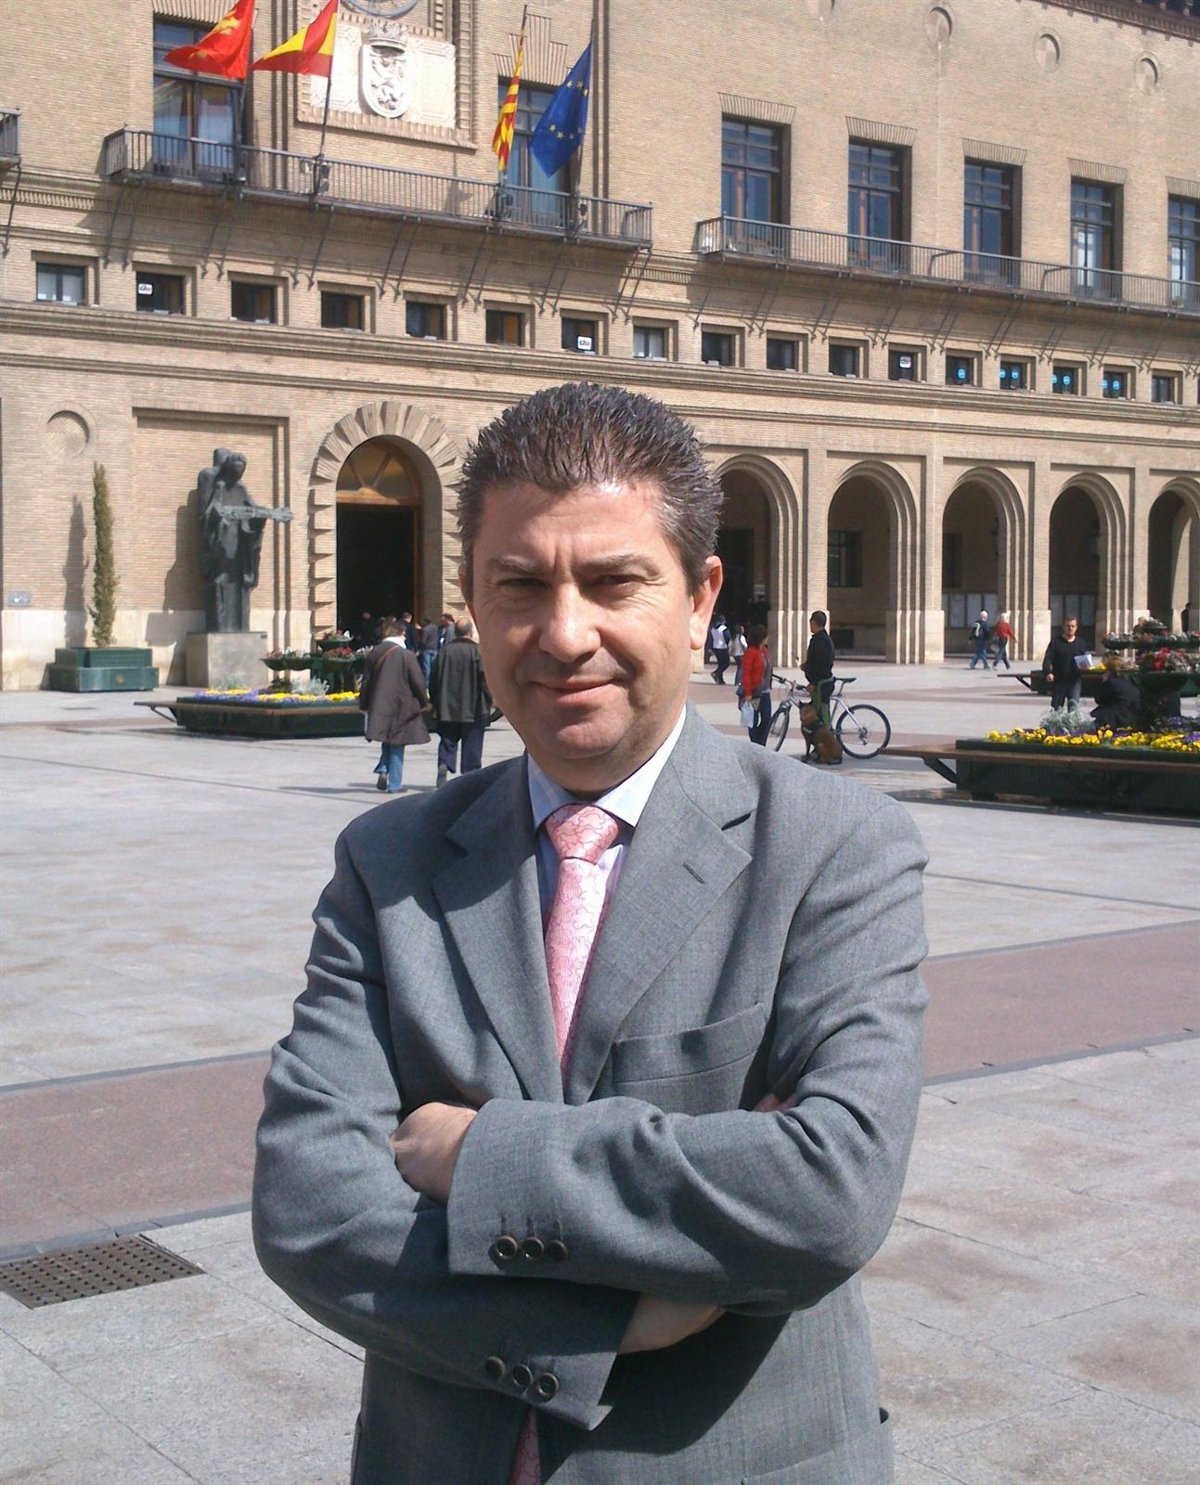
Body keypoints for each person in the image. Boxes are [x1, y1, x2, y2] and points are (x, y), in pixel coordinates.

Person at [254, 381, 927, 1485]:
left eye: (615, 582)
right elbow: (309, 1209)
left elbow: (830, 1189)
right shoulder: (389, 866)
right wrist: (606, 1327)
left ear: (701, 598)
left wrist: (477, 1156)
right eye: (520, 585)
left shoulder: (834, 849)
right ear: (473, 601)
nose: (565, 635)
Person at [196, 448, 292, 633]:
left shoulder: (241, 489)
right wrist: (219, 518)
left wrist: (267, 514)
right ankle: (221, 625)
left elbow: (252, 509)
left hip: (239, 546)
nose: (238, 475)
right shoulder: (219, 486)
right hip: (224, 542)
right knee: (221, 580)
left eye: (241, 471)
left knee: (241, 581)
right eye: (235, 470)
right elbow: (211, 512)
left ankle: (241, 625)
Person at [357, 618, 429, 793]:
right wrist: (424, 701)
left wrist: (364, 703)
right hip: (401, 704)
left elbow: (366, 681)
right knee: (397, 743)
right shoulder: (406, 655)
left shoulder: (375, 652)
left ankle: (383, 768)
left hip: (379, 703)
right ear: (399, 633)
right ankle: (395, 784)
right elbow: (418, 681)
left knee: (387, 737)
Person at [430, 616, 493, 786]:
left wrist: (435, 701)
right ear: (470, 632)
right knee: (472, 743)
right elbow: (485, 680)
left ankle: (444, 763)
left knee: (448, 739)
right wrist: (490, 699)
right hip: (473, 707)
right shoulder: (477, 652)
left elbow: (433, 678)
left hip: (447, 706)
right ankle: (470, 776)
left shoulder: (445, 651)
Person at [1042, 614, 1089, 710]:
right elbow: (1048, 658)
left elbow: (1083, 659)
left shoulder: (1080, 643)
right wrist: (1048, 672)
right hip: (1059, 680)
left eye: (1072, 626)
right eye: (1068, 626)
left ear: (1076, 628)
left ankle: (1072, 720)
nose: (1070, 628)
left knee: (1073, 708)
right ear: (1063, 627)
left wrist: (1086, 667)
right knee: (1057, 709)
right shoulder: (1056, 642)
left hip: (1074, 680)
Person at [738, 622, 773, 744]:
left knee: (767, 719)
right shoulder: (751, 652)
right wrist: (747, 692)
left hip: (765, 691)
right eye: (766, 636)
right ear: (761, 638)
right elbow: (746, 673)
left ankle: (761, 742)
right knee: (753, 719)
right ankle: (755, 743)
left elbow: (767, 668)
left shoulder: (764, 651)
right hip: (754, 691)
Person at [803, 609, 836, 731]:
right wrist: (806, 666)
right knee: (818, 712)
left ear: (814, 623)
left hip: (821, 684)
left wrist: (814, 682)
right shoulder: (823, 639)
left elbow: (821, 664)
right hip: (822, 682)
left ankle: (827, 739)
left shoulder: (820, 641)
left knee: (822, 715)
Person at [1091, 656, 1139, 729]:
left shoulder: (1111, 683)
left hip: (1115, 718)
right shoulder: (1131, 682)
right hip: (1132, 717)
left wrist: (1104, 681)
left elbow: (1099, 699)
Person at [708, 613, 731, 684]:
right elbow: (727, 637)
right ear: (723, 621)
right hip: (722, 647)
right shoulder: (724, 628)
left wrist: (710, 647)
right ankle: (716, 673)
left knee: (720, 664)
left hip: (715, 647)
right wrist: (729, 645)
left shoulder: (713, 629)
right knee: (726, 663)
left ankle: (720, 679)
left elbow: (711, 639)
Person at [417, 615, 440, 687]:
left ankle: (427, 685)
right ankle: (434, 683)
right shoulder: (435, 627)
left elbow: (423, 641)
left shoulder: (425, 629)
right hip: (434, 648)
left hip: (427, 649)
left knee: (427, 668)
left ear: (425, 621)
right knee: (433, 667)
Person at [729, 621, 747, 688]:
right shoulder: (741, 637)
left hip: (735, 654)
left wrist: (730, 652)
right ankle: (738, 681)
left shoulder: (733, 637)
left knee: (739, 667)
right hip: (741, 654)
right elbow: (745, 645)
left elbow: (730, 645)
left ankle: (738, 681)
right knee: (741, 668)